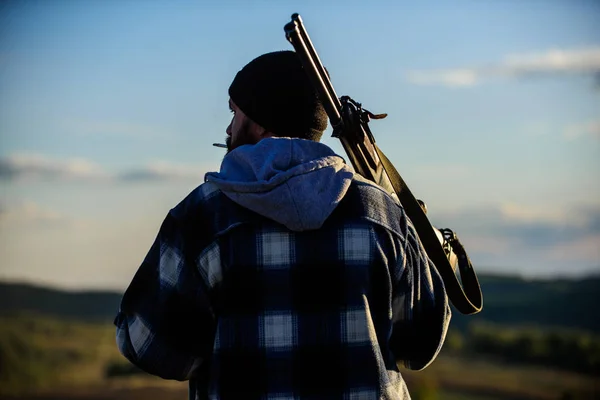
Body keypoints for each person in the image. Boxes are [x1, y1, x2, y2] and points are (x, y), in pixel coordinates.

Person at [115, 50, 451, 400]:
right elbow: (420, 345)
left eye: (234, 112)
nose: (229, 129)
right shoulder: (382, 211)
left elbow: (153, 350)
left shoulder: (202, 214)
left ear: (261, 122)